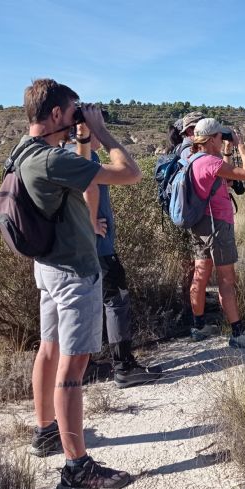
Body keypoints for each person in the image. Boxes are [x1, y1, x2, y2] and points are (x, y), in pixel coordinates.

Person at [21, 78, 140, 489]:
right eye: (74, 111)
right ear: (56, 113)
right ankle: (77, 468)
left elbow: (80, 177)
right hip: (74, 273)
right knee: (73, 370)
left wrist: (83, 137)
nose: (78, 116)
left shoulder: (27, 153)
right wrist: (103, 132)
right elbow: (129, 173)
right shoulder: (53, 161)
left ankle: (47, 431)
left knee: (49, 351)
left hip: (49, 268)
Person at [66, 136, 163, 388]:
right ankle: (124, 367)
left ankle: (83, 367)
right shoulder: (88, 156)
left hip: (69, 250)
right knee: (115, 301)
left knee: (81, 305)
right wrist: (91, 223)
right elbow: (91, 186)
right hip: (98, 248)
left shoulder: (57, 155)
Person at [188, 118, 245, 350]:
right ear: (212, 139)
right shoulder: (211, 163)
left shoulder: (194, 160)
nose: (223, 139)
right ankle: (238, 333)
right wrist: (241, 146)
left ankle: (199, 326)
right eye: (221, 137)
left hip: (199, 224)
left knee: (200, 275)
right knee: (226, 280)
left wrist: (227, 152)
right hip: (218, 225)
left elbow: (227, 179)